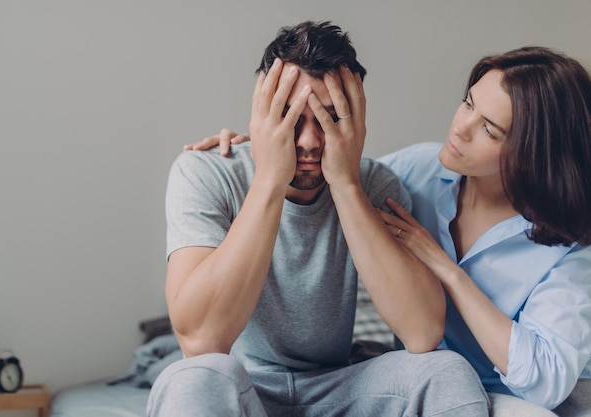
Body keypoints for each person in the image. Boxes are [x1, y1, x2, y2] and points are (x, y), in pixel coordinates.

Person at [193, 46, 591, 415]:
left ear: (532, 154)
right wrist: (262, 151)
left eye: (488, 129)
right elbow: (335, 176)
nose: (460, 128)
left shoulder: (569, 248)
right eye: (468, 103)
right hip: (422, 379)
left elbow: (546, 381)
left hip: (512, 394)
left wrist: (448, 272)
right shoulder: (418, 170)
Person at [147, 21, 490, 417]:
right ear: (262, 115)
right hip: (244, 389)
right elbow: (202, 341)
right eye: (293, 119)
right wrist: (269, 179)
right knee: (191, 377)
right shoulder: (205, 173)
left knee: (445, 370)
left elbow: (422, 332)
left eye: (329, 118)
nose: (310, 142)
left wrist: (345, 184)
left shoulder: (374, 185)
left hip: (339, 385)